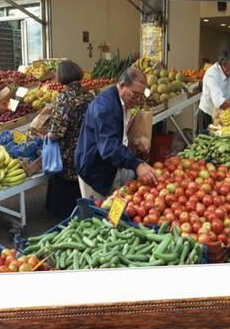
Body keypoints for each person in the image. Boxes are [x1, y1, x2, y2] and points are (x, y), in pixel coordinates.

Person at [75, 67, 158, 202]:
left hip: (110, 165)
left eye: (141, 95)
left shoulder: (123, 101)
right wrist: (136, 164)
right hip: (94, 170)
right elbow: (109, 148)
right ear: (121, 86)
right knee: (99, 214)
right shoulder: (105, 108)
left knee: (115, 206)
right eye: (134, 94)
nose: (137, 100)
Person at [45, 60, 95, 218]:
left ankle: (64, 215)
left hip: (67, 154)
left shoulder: (64, 99)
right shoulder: (89, 96)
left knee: (64, 187)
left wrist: (45, 135)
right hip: (86, 149)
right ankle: (83, 210)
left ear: (61, 76)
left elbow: (56, 132)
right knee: (79, 186)